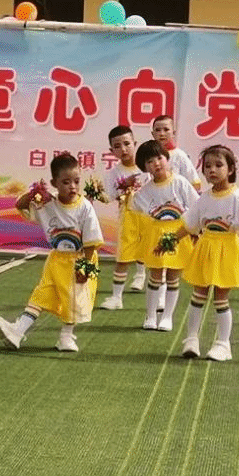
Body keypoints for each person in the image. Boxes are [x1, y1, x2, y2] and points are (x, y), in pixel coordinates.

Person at [165, 144, 239, 361]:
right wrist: (170, 240)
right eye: (208, 166)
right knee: (198, 294)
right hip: (205, 248)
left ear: (231, 169)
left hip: (227, 249)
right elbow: (190, 224)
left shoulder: (236, 197)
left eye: (219, 165)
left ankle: (223, 344)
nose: (212, 170)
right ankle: (191, 339)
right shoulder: (204, 198)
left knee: (220, 298)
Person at [0, 152, 103, 353]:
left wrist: (85, 267)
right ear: (54, 183)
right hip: (57, 260)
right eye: (66, 182)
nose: (72, 187)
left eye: (76, 181)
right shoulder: (47, 202)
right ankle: (18, 331)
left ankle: (66, 337)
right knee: (42, 294)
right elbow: (20, 205)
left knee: (73, 301)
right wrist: (34, 193)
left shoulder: (84, 207)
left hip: (80, 260)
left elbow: (91, 242)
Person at [131, 139, 196, 332]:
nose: (156, 164)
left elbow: (195, 206)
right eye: (150, 162)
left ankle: (167, 317)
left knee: (173, 277)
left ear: (167, 158)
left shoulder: (180, 182)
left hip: (179, 233)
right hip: (156, 233)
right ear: (144, 167)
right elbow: (136, 205)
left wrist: (194, 230)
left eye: (159, 158)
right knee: (155, 275)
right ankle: (151, 315)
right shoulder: (145, 191)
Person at [99, 125, 148, 310]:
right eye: (117, 146)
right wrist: (121, 187)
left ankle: (145, 281)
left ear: (135, 143)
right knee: (123, 257)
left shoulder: (147, 166)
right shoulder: (113, 174)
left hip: (150, 217)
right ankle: (116, 297)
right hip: (128, 218)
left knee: (152, 253)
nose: (123, 149)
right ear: (112, 151)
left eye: (127, 144)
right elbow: (109, 197)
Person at [151, 114, 201, 191]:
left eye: (166, 129)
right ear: (153, 134)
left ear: (173, 133)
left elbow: (195, 183)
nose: (162, 134)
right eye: (158, 130)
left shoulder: (179, 155)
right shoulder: (148, 157)